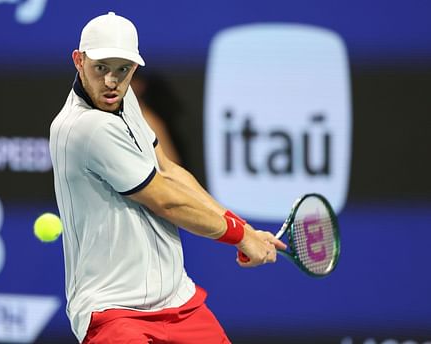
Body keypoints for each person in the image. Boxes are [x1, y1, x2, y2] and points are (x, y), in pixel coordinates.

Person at [49, 12, 286, 344]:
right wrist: (238, 237)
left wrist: (242, 227)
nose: (112, 82)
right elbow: (166, 200)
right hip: (115, 313)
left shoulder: (124, 98)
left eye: (123, 69)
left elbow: (169, 170)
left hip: (177, 299)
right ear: (79, 60)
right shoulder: (86, 128)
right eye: (101, 68)